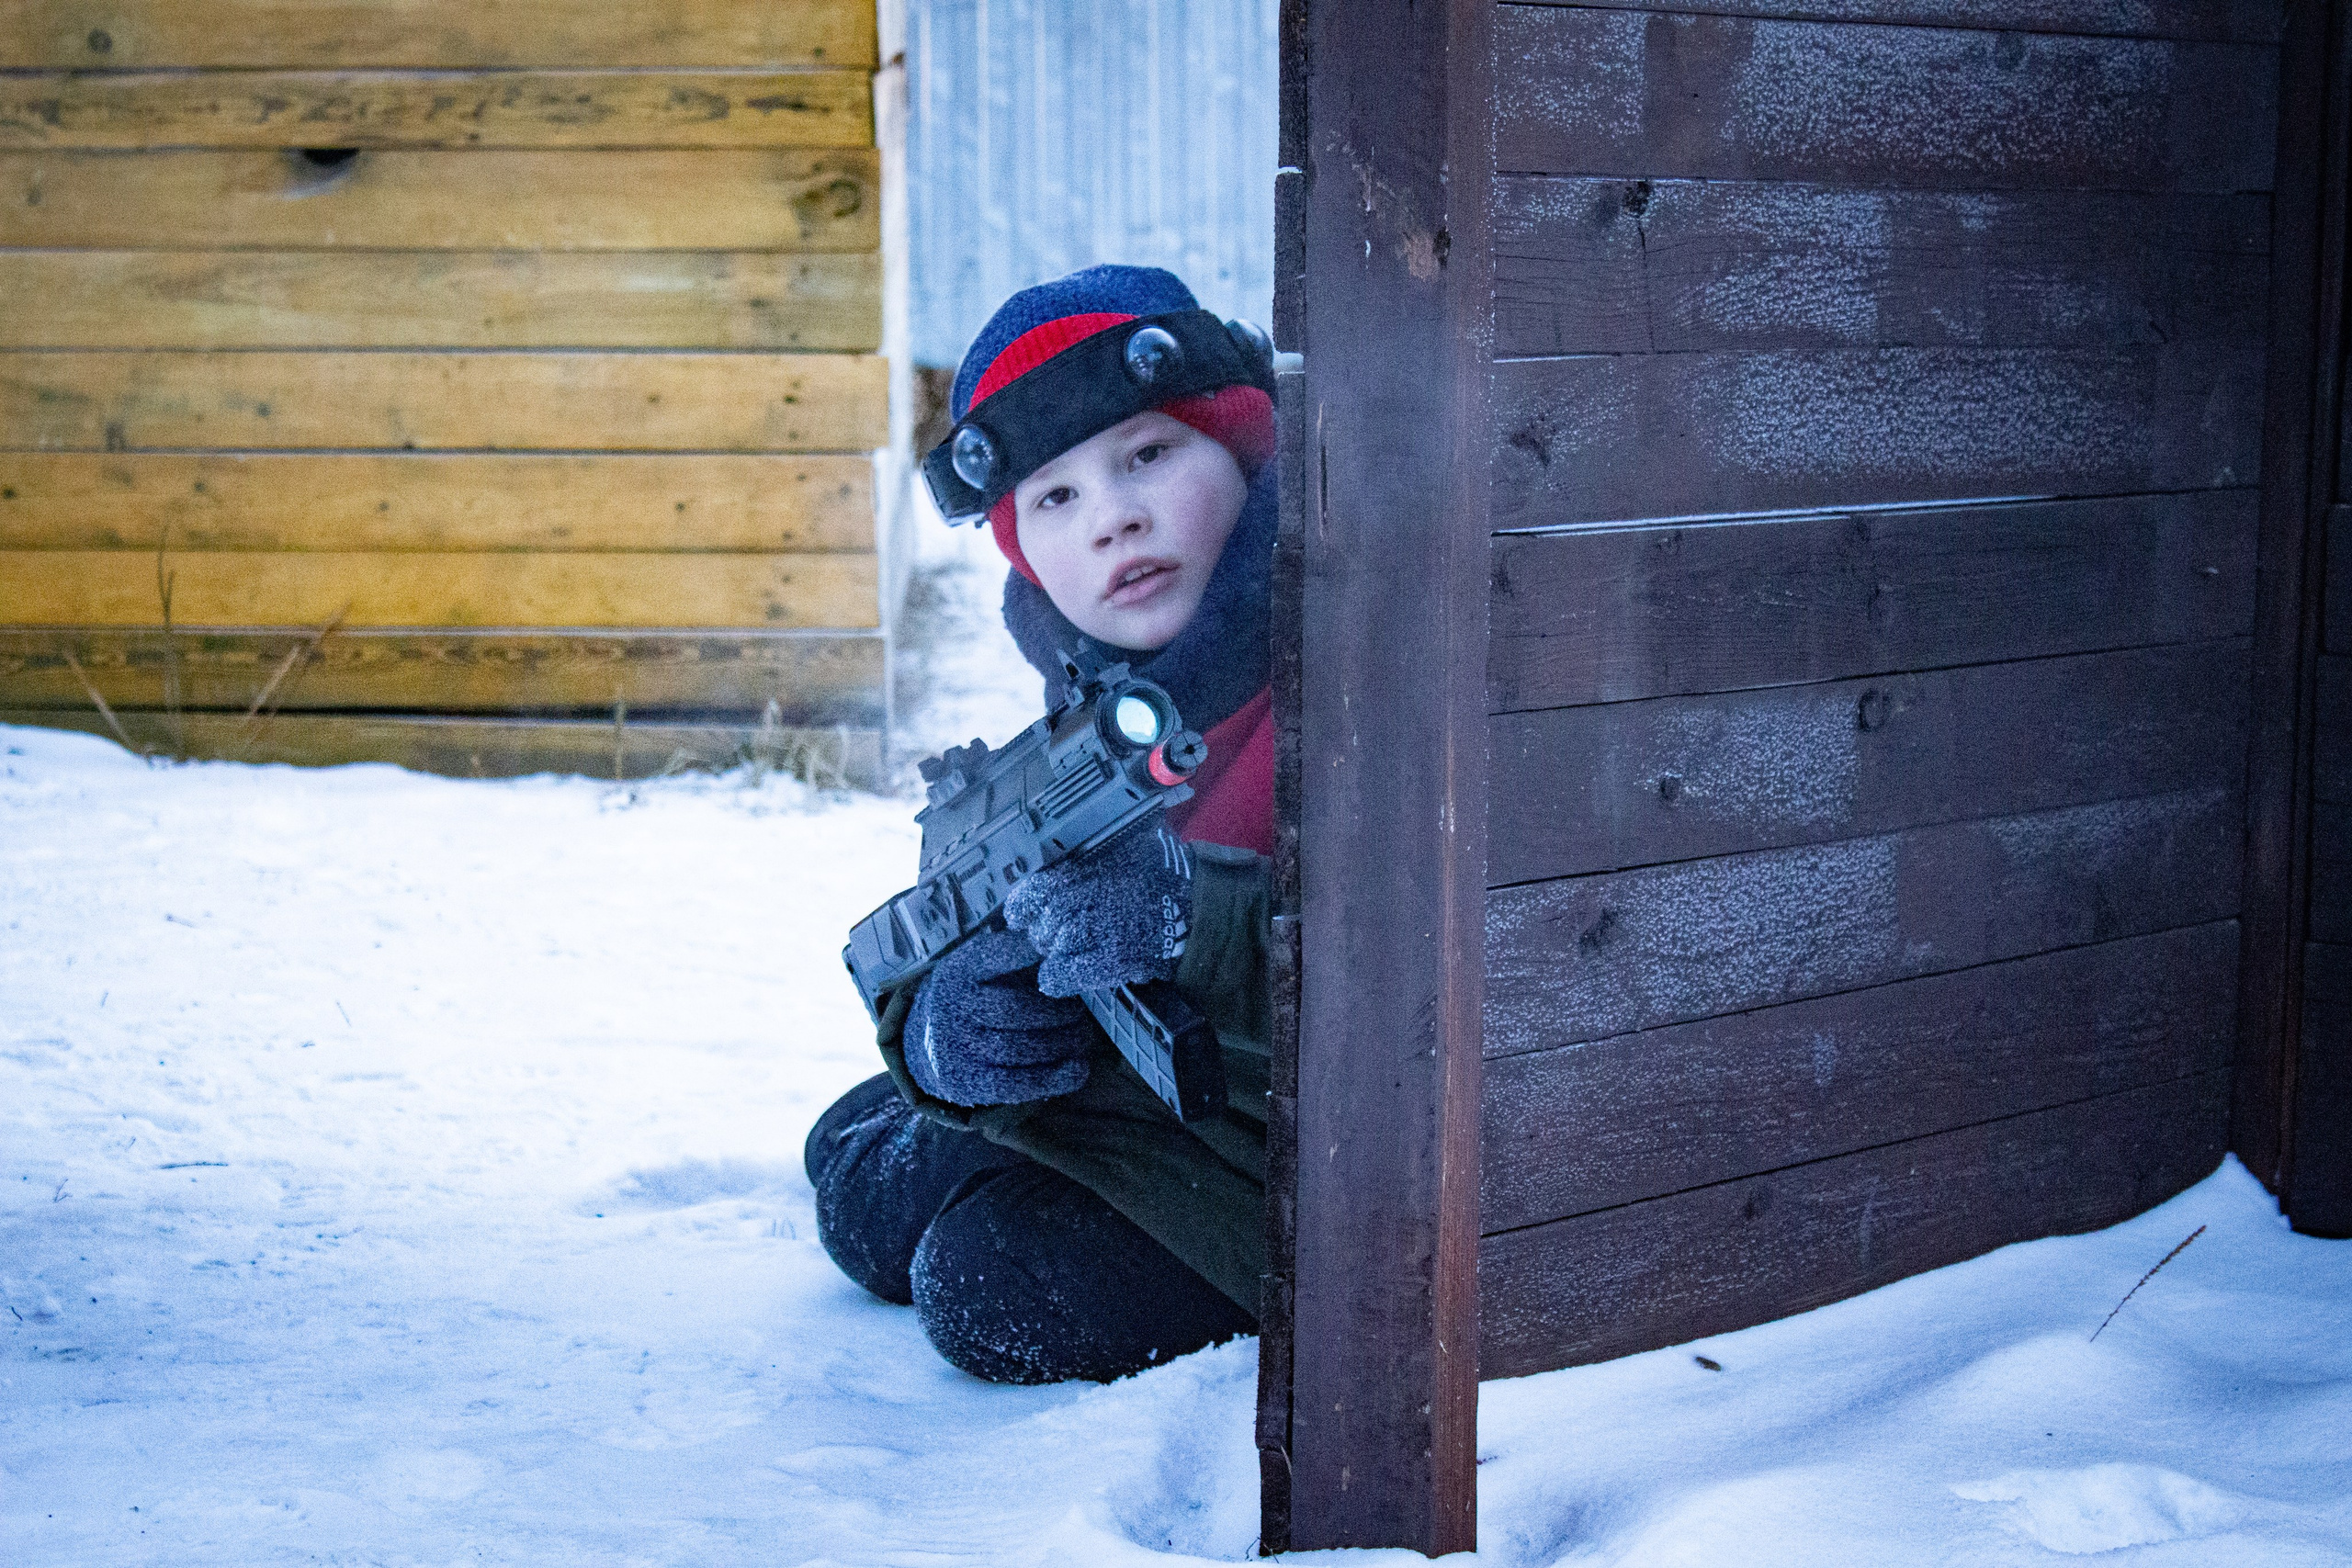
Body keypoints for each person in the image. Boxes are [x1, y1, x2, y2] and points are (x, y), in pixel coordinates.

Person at [803, 265, 1278, 1383]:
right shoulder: (1104, 692)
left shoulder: (1352, 636)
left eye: (1149, 455)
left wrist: (1181, 919)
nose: (1114, 517)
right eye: (1053, 499)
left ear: (1246, 449)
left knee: (986, 1282)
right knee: (855, 1159)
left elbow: (1420, 964)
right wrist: (948, 1031)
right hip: (1166, 1091)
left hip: (1327, 1157)